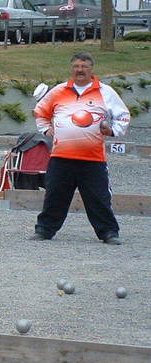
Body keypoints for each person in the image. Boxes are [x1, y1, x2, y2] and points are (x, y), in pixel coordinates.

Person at [30, 52, 130, 244]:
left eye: (84, 66)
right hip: (61, 157)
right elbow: (40, 112)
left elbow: (123, 116)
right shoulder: (58, 91)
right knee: (54, 195)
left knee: (98, 198)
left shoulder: (105, 92)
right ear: (71, 68)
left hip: (92, 158)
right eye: (76, 66)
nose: (80, 70)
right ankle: (44, 230)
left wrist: (113, 130)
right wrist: (44, 129)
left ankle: (109, 232)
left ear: (91, 69)